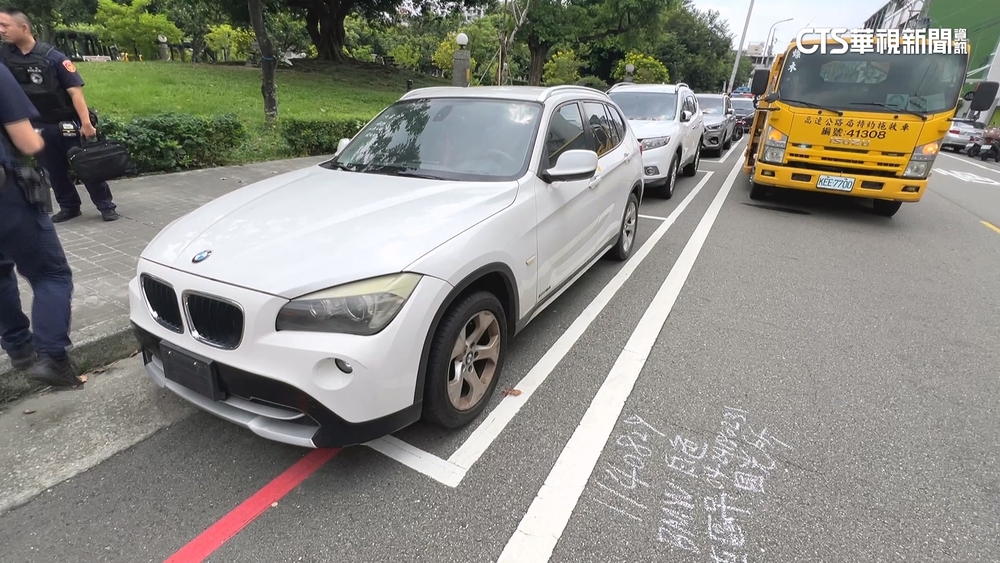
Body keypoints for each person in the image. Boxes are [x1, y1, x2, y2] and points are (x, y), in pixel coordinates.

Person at [0, 61, 83, 387]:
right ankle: (52, 358)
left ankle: (20, 350)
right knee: (51, 274)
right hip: (7, 198)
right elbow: (28, 142)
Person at [0, 7, 119, 223]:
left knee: (87, 165)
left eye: (5, 25)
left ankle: (106, 206)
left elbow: (76, 92)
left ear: (24, 27)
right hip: (38, 124)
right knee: (52, 170)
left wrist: (86, 123)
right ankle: (69, 207)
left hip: (66, 123)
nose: (2, 31)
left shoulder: (53, 57)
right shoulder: (5, 58)